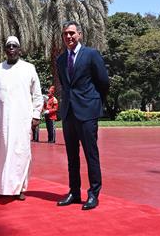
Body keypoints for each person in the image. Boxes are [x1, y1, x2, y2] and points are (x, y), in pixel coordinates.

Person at [56, 21, 109, 210]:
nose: (68, 37)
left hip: (87, 111)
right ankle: (74, 192)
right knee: (72, 156)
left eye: (71, 33)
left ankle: (94, 193)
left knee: (91, 154)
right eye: (65, 34)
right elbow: (64, 84)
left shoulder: (91, 55)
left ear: (80, 34)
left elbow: (103, 81)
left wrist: (94, 102)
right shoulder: (61, 59)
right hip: (69, 113)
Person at [0, 36, 43, 201]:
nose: (11, 49)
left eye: (14, 46)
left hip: (22, 120)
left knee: (21, 153)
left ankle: (19, 188)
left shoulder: (29, 68)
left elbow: (37, 94)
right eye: (8, 46)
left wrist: (36, 114)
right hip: (0, 120)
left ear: (19, 50)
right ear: (5, 50)